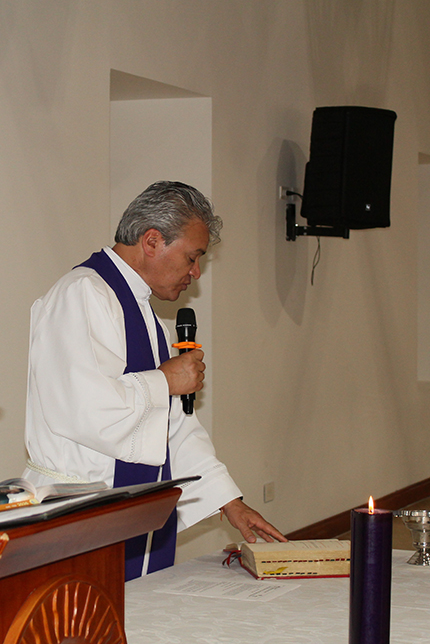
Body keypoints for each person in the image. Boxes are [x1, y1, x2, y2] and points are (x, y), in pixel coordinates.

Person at [23, 180, 286, 580]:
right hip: (79, 513)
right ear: (151, 241)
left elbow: (171, 427)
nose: (195, 273)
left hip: (129, 510)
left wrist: (229, 501)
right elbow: (82, 409)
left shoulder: (147, 317)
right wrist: (163, 381)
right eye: (192, 258)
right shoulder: (82, 294)